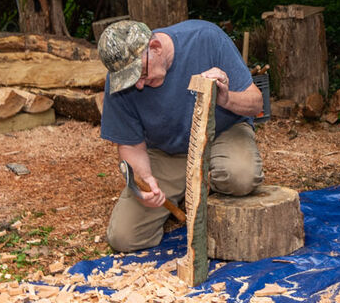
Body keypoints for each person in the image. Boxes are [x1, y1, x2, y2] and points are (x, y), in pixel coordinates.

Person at [97, 18, 264, 252]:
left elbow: (256, 104)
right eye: (132, 80)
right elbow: (130, 146)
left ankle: (205, 184)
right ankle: (189, 187)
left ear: (155, 47)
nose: (139, 85)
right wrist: (145, 181)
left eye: (142, 74)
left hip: (222, 133)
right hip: (168, 151)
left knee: (240, 176)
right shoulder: (119, 79)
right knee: (125, 237)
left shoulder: (206, 38)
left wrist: (225, 99)